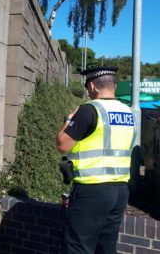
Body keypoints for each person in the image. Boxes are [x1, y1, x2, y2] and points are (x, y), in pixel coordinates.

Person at [56, 66, 137, 254]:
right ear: (114, 85)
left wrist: (69, 119)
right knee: (106, 247)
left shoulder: (89, 110)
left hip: (91, 191)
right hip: (120, 191)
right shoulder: (129, 113)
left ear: (93, 86)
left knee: (78, 248)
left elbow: (62, 144)